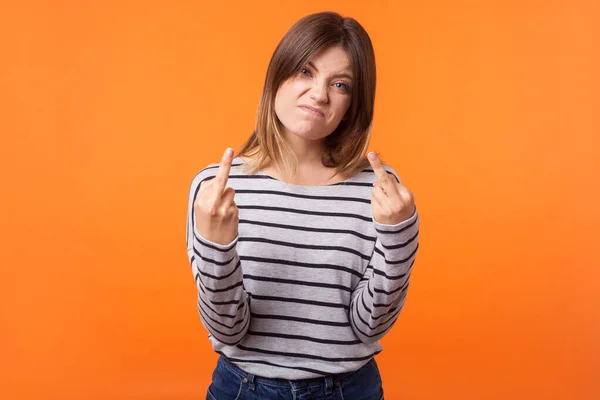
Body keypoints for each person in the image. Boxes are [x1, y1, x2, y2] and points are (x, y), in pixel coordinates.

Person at [186, 11, 420, 400]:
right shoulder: (218, 189)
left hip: (348, 390)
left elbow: (369, 327)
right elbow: (228, 330)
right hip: (244, 389)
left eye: (340, 84)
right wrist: (217, 247)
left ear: (352, 104)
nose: (319, 93)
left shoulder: (380, 192)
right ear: (278, 76)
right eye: (305, 72)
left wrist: (400, 236)